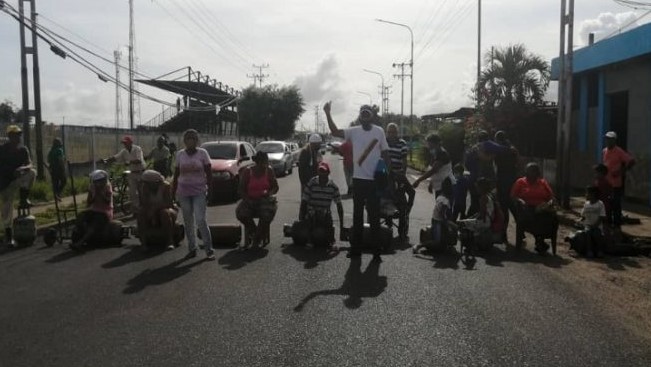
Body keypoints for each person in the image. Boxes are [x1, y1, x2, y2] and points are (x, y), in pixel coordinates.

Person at [324, 102, 391, 261]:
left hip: (374, 181)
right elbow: (334, 131)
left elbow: (386, 154)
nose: (365, 117)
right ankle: (356, 250)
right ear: (360, 117)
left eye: (368, 114)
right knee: (357, 217)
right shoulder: (353, 132)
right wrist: (327, 113)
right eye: (363, 114)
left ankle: (376, 252)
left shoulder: (379, 131)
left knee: (374, 217)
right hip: (359, 180)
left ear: (372, 116)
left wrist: (385, 174)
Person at [172, 129, 215, 260]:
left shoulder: (203, 153)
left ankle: (208, 249)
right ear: (184, 141)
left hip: (199, 191)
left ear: (197, 140)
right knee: (188, 221)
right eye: (188, 138)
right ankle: (192, 248)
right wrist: (172, 192)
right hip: (183, 192)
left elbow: (209, 173)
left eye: (193, 138)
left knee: (201, 220)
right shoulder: (180, 155)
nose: (191, 140)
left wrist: (211, 191)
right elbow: (176, 174)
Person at [0, 125, 36, 247]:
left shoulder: (23, 150)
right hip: (5, 183)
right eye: (16, 135)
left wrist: (23, 167)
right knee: (6, 208)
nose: (18, 137)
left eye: (19, 135)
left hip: (17, 179)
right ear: (10, 137)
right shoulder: (2, 150)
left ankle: (23, 197)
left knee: (32, 173)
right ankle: (8, 234)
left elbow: (30, 164)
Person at [236, 151, 279, 248]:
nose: (266, 164)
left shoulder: (269, 171)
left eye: (266, 162)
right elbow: (241, 189)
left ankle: (256, 238)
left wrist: (269, 193)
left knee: (267, 215)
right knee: (241, 214)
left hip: (265, 200)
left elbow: (275, 187)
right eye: (264, 162)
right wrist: (247, 199)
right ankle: (256, 234)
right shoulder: (248, 171)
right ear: (258, 162)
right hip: (250, 200)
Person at [510, 162, 556, 252]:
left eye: (535, 171)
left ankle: (540, 240)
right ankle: (539, 241)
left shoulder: (542, 182)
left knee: (549, 218)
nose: (532, 173)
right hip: (527, 208)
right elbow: (513, 196)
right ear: (526, 172)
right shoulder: (521, 182)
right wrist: (520, 201)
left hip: (542, 208)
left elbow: (551, 196)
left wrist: (550, 202)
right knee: (531, 216)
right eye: (530, 171)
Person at [300, 162, 345, 248]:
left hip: (325, 212)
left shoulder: (333, 187)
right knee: (311, 215)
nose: (322, 174)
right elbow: (304, 201)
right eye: (320, 172)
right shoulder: (312, 183)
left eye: (324, 172)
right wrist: (302, 218)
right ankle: (310, 240)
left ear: (328, 173)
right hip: (312, 211)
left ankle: (331, 240)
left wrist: (342, 226)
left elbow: (339, 206)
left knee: (327, 218)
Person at [386, 122, 415, 240]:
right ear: (387, 133)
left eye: (394, 132)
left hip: (399, 173)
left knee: (412, 192)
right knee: (392, 192)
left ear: (397, 133)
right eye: (389, 132)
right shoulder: (383, 142)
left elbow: (404, 160)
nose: (392, 134)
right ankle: (391, 210)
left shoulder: (402, 143)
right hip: (386, 174)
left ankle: (406, 211)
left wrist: (402, 172)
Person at [102, 135, 145, 215]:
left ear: (130, 143)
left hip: (140, 172)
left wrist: (129, 162)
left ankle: (144, 208)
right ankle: (136, 210)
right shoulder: (124, 151)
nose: (125, 144)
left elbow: (139, 160)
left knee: (141, 192)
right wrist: (107, 159)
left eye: (126, 143)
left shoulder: (137, 149)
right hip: (131, 173)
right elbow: (116, 157)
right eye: (124, 143)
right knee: (132, 193)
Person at [70, 170, 112, 251]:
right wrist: (94, 194)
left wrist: (100, 193)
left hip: (104, 212)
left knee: (95, 222)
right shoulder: (92, 187)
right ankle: (81, 235)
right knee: (81, 216)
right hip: (93, 209)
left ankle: (81, 242)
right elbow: (89, 202)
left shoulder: (107, 187)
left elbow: (108, 202)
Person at [412, 177, 456, 254]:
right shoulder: (445, 200)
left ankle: (449, 246)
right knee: (437, 241)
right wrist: (447, 222)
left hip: (435, 219)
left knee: (449, 230)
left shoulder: (440, 196)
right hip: (438, 221)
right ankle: (419, 245)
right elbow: (442, 213)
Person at [602, 131, 635, 229]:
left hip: (615, 183)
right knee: (607, 205)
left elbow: (631, 161)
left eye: (610, 139)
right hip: (606, 183)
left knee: (616, 205)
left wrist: (621, 172)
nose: (608, 141)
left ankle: (617, 226)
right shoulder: (604, 151)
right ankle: (608, 225)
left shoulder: (619, 151)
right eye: (606, 139)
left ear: (614, 140)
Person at [137, 170, 178, 250]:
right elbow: (144, 203)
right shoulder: (145, 188)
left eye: (147, 182)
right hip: (151, 209)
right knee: (141, 213)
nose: (145, 184)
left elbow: (168, 203)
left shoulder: (166, 186)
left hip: (166, 209)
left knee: (164, 213)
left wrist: (155, 210)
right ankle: (144, 243)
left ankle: (170, 241)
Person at [493, 130, 519, 242]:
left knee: (503, 208)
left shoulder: (499, 149)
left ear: (497, 139)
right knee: (513, 206)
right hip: (513, 180)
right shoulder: (512, 148)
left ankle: (503, 234)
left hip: (502, 181)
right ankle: (520, 232)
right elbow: (518, 160)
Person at [298, 134, 323, 219]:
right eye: (318, 144)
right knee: (305, 201)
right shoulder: (305, 152)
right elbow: (301, 169)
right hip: (306, 182)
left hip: (315, 181)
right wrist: (303, 183)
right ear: (313, 144)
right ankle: (302, 219)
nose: (319, 146)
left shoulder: (316, 152)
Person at [580, 186, 606, 258]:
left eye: (587, 193)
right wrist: (580, 220)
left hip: (597, 226)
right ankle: (589, 251)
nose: (586, 195)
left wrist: (595, 225)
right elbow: (583, 215)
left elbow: (602, 217)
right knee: (588, 233)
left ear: (593, 194)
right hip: (588, 225)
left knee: (596, 233)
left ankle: (599, 251)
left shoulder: (600, 204)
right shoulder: (586, 204)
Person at [47, 138, 67, 202]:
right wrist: (63, 168)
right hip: (59, 168)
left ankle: (56, 196)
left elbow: (48, 161)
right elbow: (60, 160)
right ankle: (58, 193)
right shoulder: (59, 150)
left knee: (55, 183)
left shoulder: (50, 151)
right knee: (64, 181)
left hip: (52, 168)